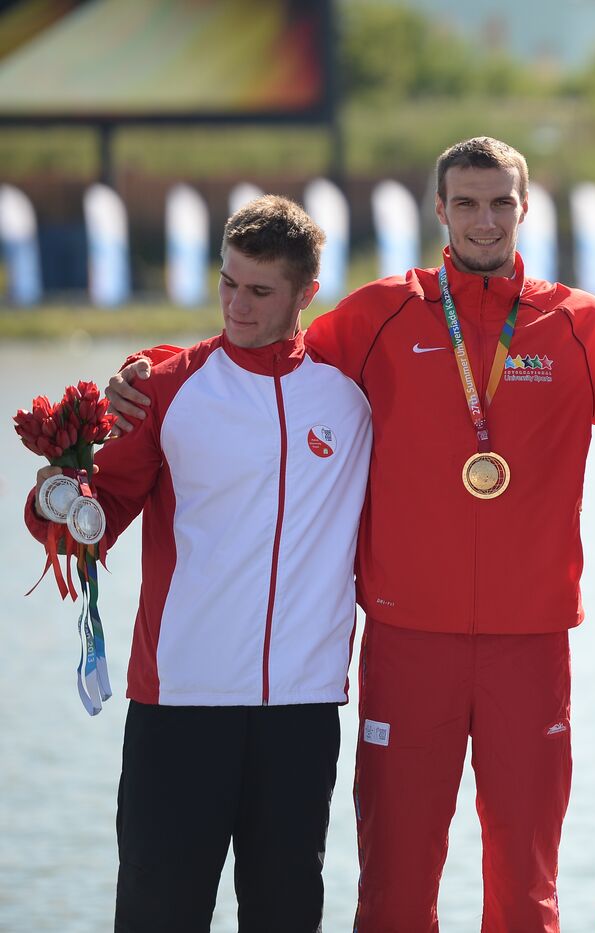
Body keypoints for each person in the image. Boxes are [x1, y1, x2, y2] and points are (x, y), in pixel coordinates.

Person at [107, 137, 595, 932]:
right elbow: (259, 355)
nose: (484, 220)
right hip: (405, 643)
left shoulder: (580, 326)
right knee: (392, 893)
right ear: (440, 211)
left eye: (500, 202)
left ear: (526, 209)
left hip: (530, 647)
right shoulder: (379, 315)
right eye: (466, 202)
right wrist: (145, 374)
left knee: (527, 894)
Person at [25, 195, 372, 931]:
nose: (236, 306)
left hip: (302, 714)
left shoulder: (351, 398)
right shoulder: (163, 386)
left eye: (259, 291)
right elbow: (97, 518)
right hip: (180, 705)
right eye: (227, 282)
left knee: (285, 916)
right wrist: (55, 493)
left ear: (307, 294)